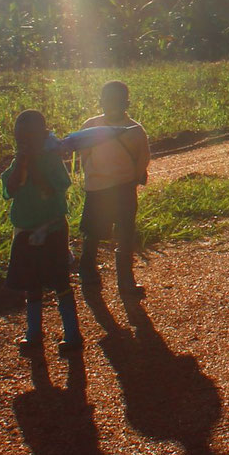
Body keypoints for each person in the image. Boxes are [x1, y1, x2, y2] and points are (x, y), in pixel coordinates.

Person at [1, 108, 81, 353]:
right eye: (19, 138)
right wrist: (22, 164)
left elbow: (56, 188)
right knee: (31, 283)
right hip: (25, 230)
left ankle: (73, 335)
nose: (24, 142)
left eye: (29, 137)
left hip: (52, 229)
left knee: (60, 281)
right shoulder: (19, 161)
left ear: (42, 136)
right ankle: (33, 334)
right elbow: (9, 191)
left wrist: (33, 167)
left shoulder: (50, 159)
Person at [64, 80, 150, 296]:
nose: (111, 105)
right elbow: (142, 161)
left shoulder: (93, 126)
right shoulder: (134, 130)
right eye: (109, 101)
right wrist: (132, 177)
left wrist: (95, 175)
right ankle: (103, 276)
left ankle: (115, 279)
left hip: (108, 188)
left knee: (118, 234)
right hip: (112, 189)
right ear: (101, 102)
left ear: (126, 103)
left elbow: (84, 157)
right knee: (97, 233)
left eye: (116, 101)